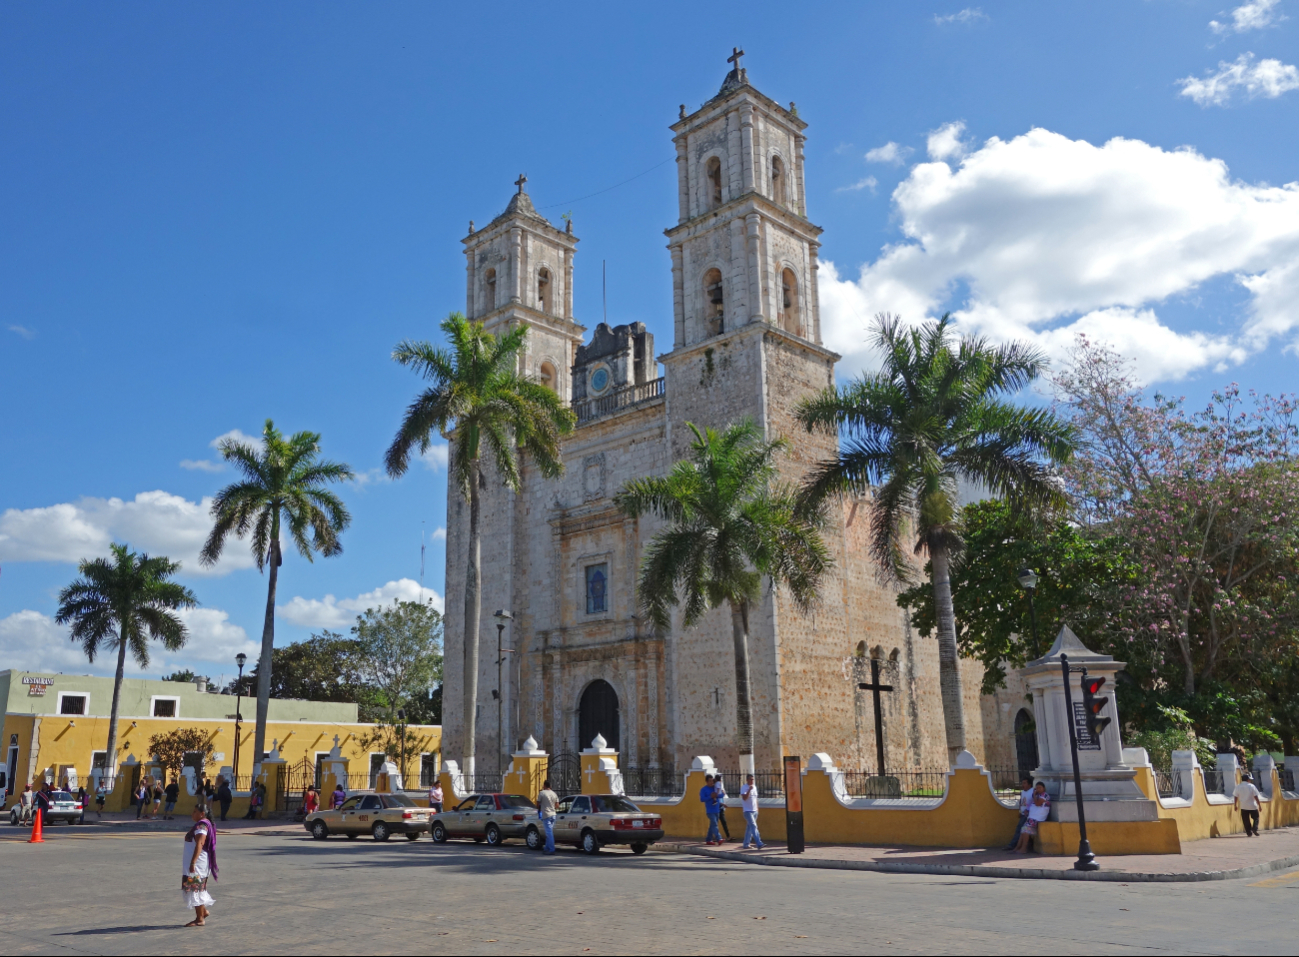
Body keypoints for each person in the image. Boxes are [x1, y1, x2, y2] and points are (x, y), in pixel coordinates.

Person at [182, 802, 218, 927]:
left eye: (195, 812)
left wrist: (193, 862)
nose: (192, 814)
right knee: (198, 888)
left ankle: (200, 919)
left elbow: (200, 844)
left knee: (195, 889)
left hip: (198, 863)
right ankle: (203, 912)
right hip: (200, 862)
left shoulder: (201, 826)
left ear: (202, 814)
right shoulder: (204, 824)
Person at [1012, 782, 1051, 853]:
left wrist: (1034, 795)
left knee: (1025, 831)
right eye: (1037, 788)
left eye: (1040, 788)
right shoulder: (1037, 795)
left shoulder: (1044, 795)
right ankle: (1017, 847)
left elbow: (1037, 803)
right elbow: (1032, 805)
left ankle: (1023, 849)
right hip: (1032, 817)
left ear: (1044, 788)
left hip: (1038, 817)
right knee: (1023, 830)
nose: (1038, 789)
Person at [1004, 776, 1034, 851]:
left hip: (1028, 814)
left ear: (1030, 784)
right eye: (1022, 783)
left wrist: (1028, 810)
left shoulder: (1033, 792)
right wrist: (1020, 811)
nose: (1023, 785)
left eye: (1024, 783)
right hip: (1023, 813)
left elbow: (1034, 803)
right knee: (1022, 830)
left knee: (1020, 829)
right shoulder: (1023, 792)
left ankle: (1012, 845)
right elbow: (1021, 802)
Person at [740, 773, 764, 849]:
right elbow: (744, 798)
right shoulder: (744, 787)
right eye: (750, 779)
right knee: (754, 826)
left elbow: (755, 799)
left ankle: (746, 844)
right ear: (747, 780)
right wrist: (749, 790)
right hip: (747, 811)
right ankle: (759, 843)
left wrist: (757, 808)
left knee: (750, 828)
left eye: (753, 779)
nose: (752, 781)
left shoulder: (754, 787)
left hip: (754, 810)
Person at [1234, 772, 1262, 837]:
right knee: (1256, 818)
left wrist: (1235, 805)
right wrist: (1259, 805)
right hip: (1252, 806)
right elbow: (1256, 796)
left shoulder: (1238, 787)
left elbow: (1235, 796)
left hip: (1243, 806)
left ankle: (1249, 833)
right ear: (1248, 779)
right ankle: (1254, 828)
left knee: (1245, 820)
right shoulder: (1252, 786)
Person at [537, 778, 559, 854]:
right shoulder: (554, 793)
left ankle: (551, 849)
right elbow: (557, 805)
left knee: (549, 833)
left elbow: (538, 803)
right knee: (549, 832)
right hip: (553, 814)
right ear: (550, 786)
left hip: (546, 814)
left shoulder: (542, 793)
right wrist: (552, 807)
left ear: (544, 785)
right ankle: (546, 847)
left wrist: (539, 810)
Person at [700, 773, 721, 845]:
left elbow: (719, 795)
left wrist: (721, 794)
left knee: (713, 825)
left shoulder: (715, 787)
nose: (711, 782)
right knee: (714, 824)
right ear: (706, 781)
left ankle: (709, 839)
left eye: (712, 781)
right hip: (710, 810)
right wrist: (710, 797)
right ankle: (719, 838)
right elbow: (702, 799)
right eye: (709, 781)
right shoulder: (703, 789)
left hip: (716, 809)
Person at [713, 774, 732, 842]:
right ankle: (717, 836)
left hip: (720, 805)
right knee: (719, 822)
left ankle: (725, 836)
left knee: (719, 822)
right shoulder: (718, 784)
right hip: (719, 806)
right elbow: (718, 792)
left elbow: (721, 792)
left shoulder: (717, 785)